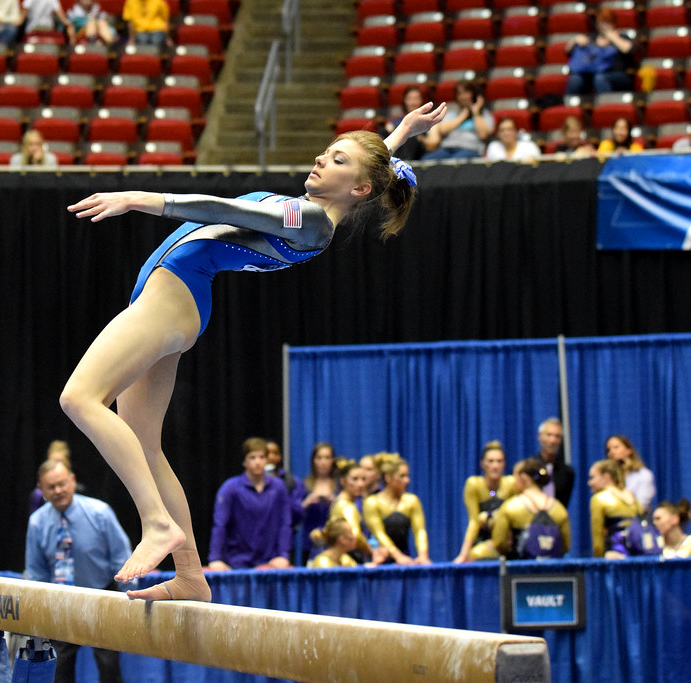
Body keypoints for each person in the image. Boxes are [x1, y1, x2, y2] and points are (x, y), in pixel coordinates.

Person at [60, 99, 446, 601]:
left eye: (336, 159)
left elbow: (224, 210)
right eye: (327, 151)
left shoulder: (311, 220)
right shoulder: (316, 211)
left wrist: (142, 198)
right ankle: (191, 576)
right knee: (145, 445)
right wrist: (400, 134)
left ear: (359, 188)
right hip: (172, 300)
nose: (321, 159)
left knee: (80, 398)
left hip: (175, 294)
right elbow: (369, 168)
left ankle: (156, 523)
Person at [25, 459, 131, 682]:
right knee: (59, 670)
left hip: (102, 596)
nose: (58, 491)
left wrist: (127, 599)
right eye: (51, 487)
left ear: (72, 481)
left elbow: (122, 557)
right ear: (40, 489)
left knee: (109, 666)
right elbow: (36, 572)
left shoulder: (100, 513)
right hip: (62, 601)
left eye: (62, 484)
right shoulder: (37, 522)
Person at [207, 437, 293, 570]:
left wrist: (283, 555)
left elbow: (285, 523)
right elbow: (220, 524)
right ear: (244, 461)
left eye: (262, 457)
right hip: (237, 561)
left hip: (271, 562)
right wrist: (215, 558)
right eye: (252, 457)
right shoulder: (230, 488)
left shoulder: (279, 487)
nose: (258, 462)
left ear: (267, 460)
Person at [491, 457, 571, 559]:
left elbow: (499, 543)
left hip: (519, 570)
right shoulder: (559, 509)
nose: (514, 481)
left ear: (523, 477)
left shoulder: (510, 507)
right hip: (552, 571)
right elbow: (566, 546)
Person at [453, 440, 517, 563]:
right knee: (475, 554)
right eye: (491, 461)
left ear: (504, 464)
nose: (495, 466)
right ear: (482, 463)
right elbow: (473, 521)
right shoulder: (474, 484)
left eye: (499, 461)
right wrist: (463, 554)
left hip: (505, 541)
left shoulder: (511, 484)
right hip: (482, 540)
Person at [362, 453, 431, 564]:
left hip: (405, 557)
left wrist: (423, 555)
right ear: (388, 478)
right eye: (402, 476)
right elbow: (379, 534)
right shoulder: (372, 502)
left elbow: (420, 531)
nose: (407, 480)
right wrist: (398, 556)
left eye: (407, 476)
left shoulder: (412, 501)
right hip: (380, 558)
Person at [564, 7, 634, 96]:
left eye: (606, 23)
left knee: (600, 78)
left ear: (613, 23)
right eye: (600, 23)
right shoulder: (592, 38)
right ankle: (567, 107)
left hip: (616, 74)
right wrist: (574, 40)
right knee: (575, 78)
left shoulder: (622, 36)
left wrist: (612, 37)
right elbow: (567, 52)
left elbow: (628, 50)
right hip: (592, 72)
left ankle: (605, 106)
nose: (603, 26)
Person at [422, 79, 492, 161]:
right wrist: (463, 116)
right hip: (447, 148)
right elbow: (442, 130)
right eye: (459, 94)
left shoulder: (484, 114)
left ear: (473, 94)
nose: (463, 97)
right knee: (426, 160)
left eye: (466, 92)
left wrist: (475, 112)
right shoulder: (452, 114)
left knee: (453, 163)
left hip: (470, 149)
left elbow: (483, 134)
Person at [325, 458, 377, 563]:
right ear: (343, 481)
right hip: (349, 557)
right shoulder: (346, 506)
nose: (360, 484)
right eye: (355, 479)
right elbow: (356, 535)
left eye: (363, 479)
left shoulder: (340, 502)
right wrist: (371, 551)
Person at [587, 459, 641, 559]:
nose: (589, 483)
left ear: (606, 476)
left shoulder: (598, 499)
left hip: (615, 556)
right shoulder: (632, 498)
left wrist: (599, 559)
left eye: (592, 477)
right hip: (638, 555)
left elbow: (597, 537)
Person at [299, 441, 338, 564]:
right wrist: (307, 502)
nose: (323, 462)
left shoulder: (339, 484)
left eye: (327, 458)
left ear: (332, 460)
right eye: (319, 458)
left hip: (335, 542)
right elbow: (293, 513)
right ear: (313, 461)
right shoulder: (305, 484)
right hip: (310, 542)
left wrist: (335, 503)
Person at [533, 417, 575, 509]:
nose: (552, 441)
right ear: (539, 436)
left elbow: (564, 505)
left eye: (557, 436)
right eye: (549, 435)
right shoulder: (529, 468)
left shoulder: (567, 473)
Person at [382, 86, 433, 161]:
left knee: (409, 133)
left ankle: (403, 164)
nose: (412, 103)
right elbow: (386, 132)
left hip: (418, 152)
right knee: (382, 132)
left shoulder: (429, 119)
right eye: (409, 99)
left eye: (416, 99)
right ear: (404, 101)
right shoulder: (397, 120)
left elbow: (433, 143)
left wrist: (420, 138)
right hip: (398, 150)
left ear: (422, 101)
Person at [605, 434, 655, 510]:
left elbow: (641, 506)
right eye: (608, 449)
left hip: (636, 519)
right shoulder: (608, 477)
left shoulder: (643, 474)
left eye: (616, 447)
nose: (611, 452)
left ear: (629, 450)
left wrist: (613, 489)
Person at [28, 440, 73, 515]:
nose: (58, 491)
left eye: (60, 461)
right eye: (52, 462)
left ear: (68, 463)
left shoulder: (79, 490)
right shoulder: (39, 495)